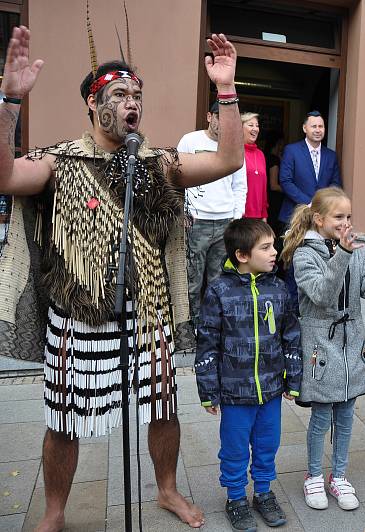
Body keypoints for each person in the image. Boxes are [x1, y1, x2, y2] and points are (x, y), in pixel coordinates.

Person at [0, 27, 243, 530]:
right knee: (63, 420)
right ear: (94, 104)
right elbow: (3, 178)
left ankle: (168, 490)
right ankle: (54, 511)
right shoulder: (59, 160)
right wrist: (9, 102)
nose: (132, 102)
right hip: (78, 312)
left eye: (137, 95)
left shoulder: (157, 164)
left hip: (147, 308)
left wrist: (226, 89)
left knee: (163, 407)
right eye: (120, 94)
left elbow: (228, 159)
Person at [281, 187, 365, 511]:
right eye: (338, 217)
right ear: (319, 219)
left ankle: (340, 475)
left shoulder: (355, 248)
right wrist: (343, 254)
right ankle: (314, 475)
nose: (346, 222)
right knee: (321, 416)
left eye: (349, 216)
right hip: (321, 345)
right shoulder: (306, 253)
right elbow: (322, 294)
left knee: (346, 415)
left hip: (351, 343)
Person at [195, 219, 300, 531]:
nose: (274, 253)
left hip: (269, 390)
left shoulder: (279, 289)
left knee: (268, 443)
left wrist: (293, 379)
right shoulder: (218, 291)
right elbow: (208, 342)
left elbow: (291, 335)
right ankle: (237, 498)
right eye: (265, 248)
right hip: (234, 393)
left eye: (273, 246)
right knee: (235, 447)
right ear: (242, 255)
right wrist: (208, 391)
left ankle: (264, 493)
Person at [179, 101, 248, 326]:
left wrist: (235, 219)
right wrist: (184, 213)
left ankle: (212, 326)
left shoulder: (235, 146)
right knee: (191, 280)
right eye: (218, 116)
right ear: (209, 116)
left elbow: (240, 186)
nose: (223, 121)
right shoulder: (190, 141)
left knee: (219, 281)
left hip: (224, 223)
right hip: (196, 222)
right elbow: (177, 180)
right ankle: (188, 328)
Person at [277, 111, 342, 226]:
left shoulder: (331, 155)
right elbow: (285, 181)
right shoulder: (292, 150)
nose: (318, 130)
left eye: (321, 126)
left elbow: (335, 184)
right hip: (295, 216)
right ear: (304, 128)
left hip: (322, 218)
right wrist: (310, 203)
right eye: (314, 126)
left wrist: (323, 204)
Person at [241, 112, 268, 220]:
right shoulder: (236, 152)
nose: (255, 129)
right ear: (240, 128)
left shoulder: (260, 154)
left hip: (258, 217)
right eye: (251, 125)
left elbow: (264, 188)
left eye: (257, 126)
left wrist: (264, 216)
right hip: (240, 215)